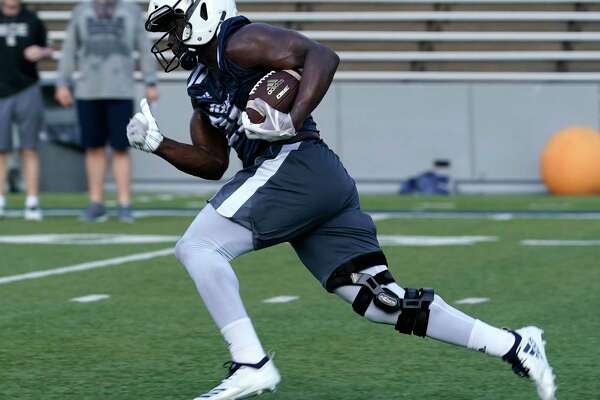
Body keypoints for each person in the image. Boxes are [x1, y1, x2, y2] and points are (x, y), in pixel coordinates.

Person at [126, 1, 557, 399]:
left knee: (198, 247)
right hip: (314, 179)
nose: (172, 35)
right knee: (379, 302)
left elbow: (322, 56)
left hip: (295, 164)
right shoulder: (202, 82)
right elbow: (212, 161)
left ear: (203, 11)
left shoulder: (239, 42)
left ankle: (250, 363)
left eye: (174, 23)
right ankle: (515, 344)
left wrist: (290, 118)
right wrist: (158, 143)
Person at [55, 0, 159, 222]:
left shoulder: (130, 9)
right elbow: (70, 48)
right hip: (88, 91)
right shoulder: (81, 10)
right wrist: (62, 83)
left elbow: (142, 46)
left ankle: (124, 203)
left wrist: (151, 81)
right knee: (94, 148)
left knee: (122, 149)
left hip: (120, 90)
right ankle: (96, 202)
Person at [0, 0, 52, 221]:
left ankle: (32, 201)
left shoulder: (32, 20)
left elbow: (48, 48)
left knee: (29, 147)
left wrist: (41, 52)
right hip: (0, 90)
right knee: (1, 150)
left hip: (27, 87)